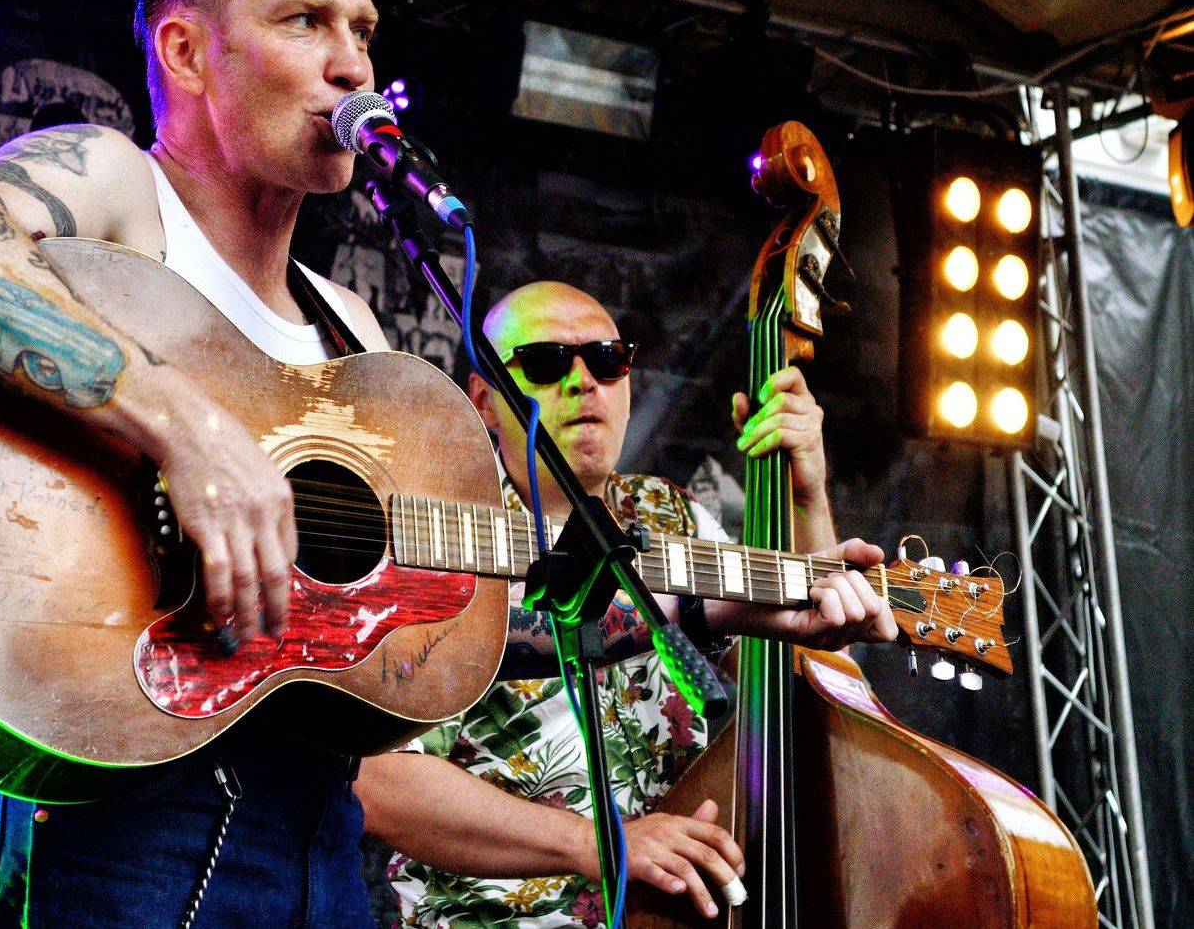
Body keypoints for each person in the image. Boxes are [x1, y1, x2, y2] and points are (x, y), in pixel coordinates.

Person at [0, 0, 390, 927]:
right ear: (185, 52)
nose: (352, 64)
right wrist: (185, 428)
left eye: (362, 31)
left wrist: (657, 597)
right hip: (116, 819)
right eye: (306, 21)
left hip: (318, 831)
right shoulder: (118, 190)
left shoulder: (349, 326)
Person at [355, 281, 898, 926]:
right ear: (484, 400)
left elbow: (802, 684)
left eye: (607, 359)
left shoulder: (674, 518)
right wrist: (601, 845)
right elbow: (378, 781)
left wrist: (806, 495)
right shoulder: (438, 533)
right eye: (547, 362)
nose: (584, 382)